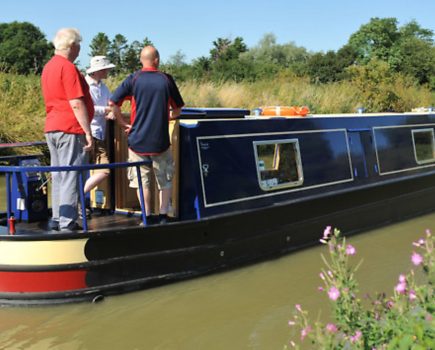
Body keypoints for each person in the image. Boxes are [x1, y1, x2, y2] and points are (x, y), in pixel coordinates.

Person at [110, 46, 184, 224]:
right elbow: (177, 110)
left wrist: (122, 123)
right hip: (160, 141)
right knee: (164, 180)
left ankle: (147, 216)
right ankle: (163, 215)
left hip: (137, 141)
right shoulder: (166, 80)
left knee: (142, 181)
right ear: (157, 60)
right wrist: (163, 117)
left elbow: (113, 102)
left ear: (141, 60)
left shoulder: (133, 79)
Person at [41, 28, 94, 231]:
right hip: (69, 127)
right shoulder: (68, 68)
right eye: (79, 45)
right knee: (71, 173)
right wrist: (87, 131)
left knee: (59, 174)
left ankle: (57, 217)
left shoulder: (48, 67)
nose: (80, 49)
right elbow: (76, 102)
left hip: (52, 127)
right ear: (72, 46)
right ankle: (68, 222)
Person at [84, 56, 116, 195]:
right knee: (104, 170)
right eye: (105, 69)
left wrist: (113, 111)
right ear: (98, 71)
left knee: (90, 168)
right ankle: (80, 195)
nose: (107, 71)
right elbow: (87, 108)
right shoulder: (86, 86)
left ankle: (81, 200)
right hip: (92, 132)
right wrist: (107, 110)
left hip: (100, 132)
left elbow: (111, 102)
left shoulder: (103, 86)